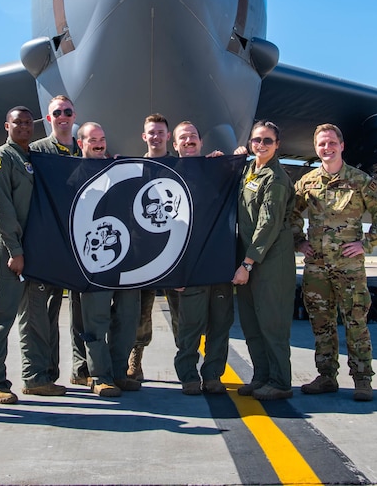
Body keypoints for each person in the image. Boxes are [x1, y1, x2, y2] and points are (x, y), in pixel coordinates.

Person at [293, 123, 377, 402]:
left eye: (331, 143)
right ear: (316, 148)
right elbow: (290, 212)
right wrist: (298, 241)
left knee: (355, 322)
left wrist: (367, 243)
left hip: (349, 267)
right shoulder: (307, 182)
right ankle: (326, 376)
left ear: (342, 146)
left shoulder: (360, 181)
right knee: (321, 323)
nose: (327, 148)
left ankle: (362, 380)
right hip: (316, 268)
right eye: (322, 144)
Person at [0, 106, 66, 404]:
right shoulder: (0, 158)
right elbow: (0, 208)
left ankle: (36, 378)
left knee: (34, 318)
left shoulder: (31, 158)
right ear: (7, 125)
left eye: (29, 123)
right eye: (19, 123)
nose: (25, 127)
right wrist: (15, 251)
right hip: (7, 250)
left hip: (31, 251)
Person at [231, 120, 299, 401]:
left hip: (270, 261)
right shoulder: (248, 170)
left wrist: (247, 263)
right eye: (257, 140)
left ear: (277, 145)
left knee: (272, 324)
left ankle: (280, 381)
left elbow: (267, 225)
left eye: (267, 141)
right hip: (249, 259)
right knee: (251, 323)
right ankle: (261, 376)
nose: (261, 145)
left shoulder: (276, 178)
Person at [74, 122, 142, 397]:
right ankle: (99, 375)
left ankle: (117, 372)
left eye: (102, 138)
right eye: (93, 140)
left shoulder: (118, 170)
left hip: (127, 260)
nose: (100, 144)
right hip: (94, 261)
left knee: (127, 318)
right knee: (96, 321)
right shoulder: (72, 175)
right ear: (81, 144)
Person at [170, 121, 232, 396]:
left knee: (220, 325)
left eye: (193, 136)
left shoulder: (215, 170)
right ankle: (188, 375)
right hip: (190, 266)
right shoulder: (168, 175)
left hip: (219, 263)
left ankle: (213, 375)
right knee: (190, 328)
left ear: (201, 142)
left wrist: (232, 159)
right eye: (183, 138)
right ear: (175, 145)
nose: (188, 140)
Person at [28, 95, 85, 385]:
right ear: (49, 119)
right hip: (49, 243)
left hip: (80, 245)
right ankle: (46, 374)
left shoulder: (84, 151)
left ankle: (82, 370)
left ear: (75, 116)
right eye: (57, 112)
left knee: (82, 312)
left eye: (68, 111)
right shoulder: (35, 152)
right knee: (45, 314)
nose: (63, 116)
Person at [128, 113, 171, 381]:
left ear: (168, 136)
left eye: (160, 132)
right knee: (139, 310)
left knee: (183, 315)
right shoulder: (133, 169)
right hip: (141, 252)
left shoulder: (180, 166)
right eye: (151, 132)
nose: (155, 136)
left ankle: (189, 367)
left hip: (172, 250)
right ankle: (135, 360)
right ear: (144, 137)